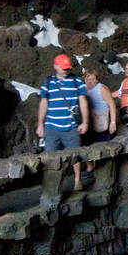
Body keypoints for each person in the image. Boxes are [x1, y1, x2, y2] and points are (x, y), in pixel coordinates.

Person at [37, 54, 90, 189]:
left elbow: (83, 102)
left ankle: (77, 180)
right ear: (55, 66)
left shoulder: (77, 81)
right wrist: (40, 124)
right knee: (50, 156)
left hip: (71, 126)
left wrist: (85, 122)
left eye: (68, 68)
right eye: (63, 68)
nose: (66, 71)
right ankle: (52, 185)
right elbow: (43, 103)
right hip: (51, 126)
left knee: (75, 154)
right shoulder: (48, 82)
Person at [83, 70, 117, 143]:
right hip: (89, 120)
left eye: (92, 79)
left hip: (101, 119)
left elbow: (112, 104)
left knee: (104, 143)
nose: (89, 81)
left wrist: (113, 123)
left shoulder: (102, 89)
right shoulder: (83, 88)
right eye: (87, 79)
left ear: (97, 80)